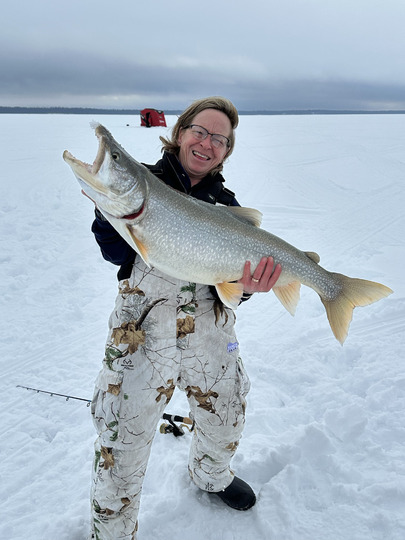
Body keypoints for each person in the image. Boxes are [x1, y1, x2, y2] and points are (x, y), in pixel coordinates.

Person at [88, 96, 281, 539]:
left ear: (226, 151)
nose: (207, 143)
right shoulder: (143, 184)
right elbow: (115, 252)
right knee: (121, 440)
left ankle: (212, 476)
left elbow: (232, 293)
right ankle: (112, 532)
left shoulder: (229, 208)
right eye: (200, 131)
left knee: (225, 416)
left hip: (210, 334)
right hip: (141, 334)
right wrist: (106, 210)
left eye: (220, 139)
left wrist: (248, 288)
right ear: (180, 133)